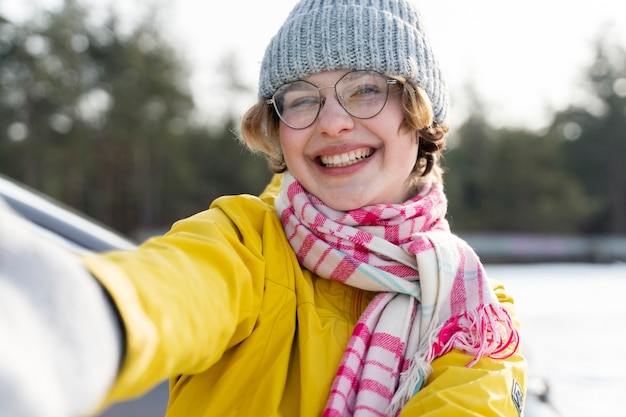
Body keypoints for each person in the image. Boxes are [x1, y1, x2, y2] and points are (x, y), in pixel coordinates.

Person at [0, 0, 528, 416]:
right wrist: (62, 321)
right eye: (301, 98)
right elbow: (165, 291)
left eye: (366, 90)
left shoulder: (474, 310)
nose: (333, 123)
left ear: (419, 113)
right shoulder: (246, 243)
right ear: (276, 129)